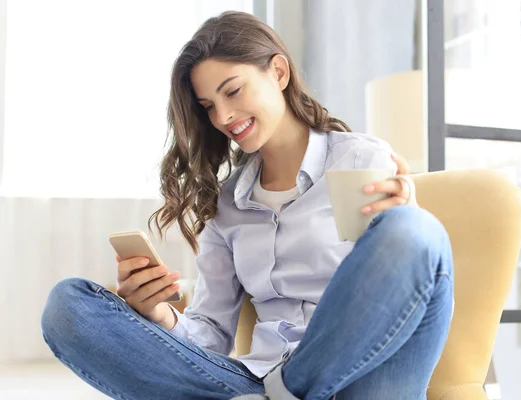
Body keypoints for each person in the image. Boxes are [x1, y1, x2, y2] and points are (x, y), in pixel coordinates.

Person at [41, 11, 453, 400]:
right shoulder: (226, 207)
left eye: (232, 91)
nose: (223, 117)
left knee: (416, 231)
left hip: (363, 377)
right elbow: (210, 335)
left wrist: (401, 219)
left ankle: (285, 392)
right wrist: (159, 315)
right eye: (208, 107)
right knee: (68, 307)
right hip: (251, 379)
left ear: (278, 72)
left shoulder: (360, 160)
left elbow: (395, 282)